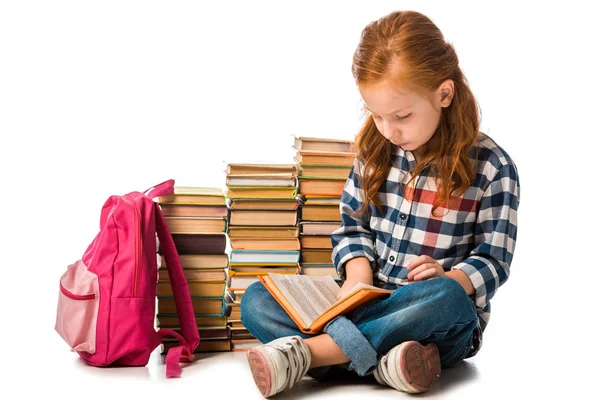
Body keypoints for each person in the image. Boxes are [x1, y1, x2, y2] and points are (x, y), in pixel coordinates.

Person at [240, 9, 520, 398]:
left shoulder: (493, 167)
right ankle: (389, 364)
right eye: (377, 116)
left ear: (444, 93)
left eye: (401, 116)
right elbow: (352, 227)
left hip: (427, 315)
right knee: (255, 300)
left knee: (449, 300)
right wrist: (357, 277)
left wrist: (448, 275)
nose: (388, 130)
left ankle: (312, 354)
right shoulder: (375, 149)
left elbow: (493, 261)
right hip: (363, 302)